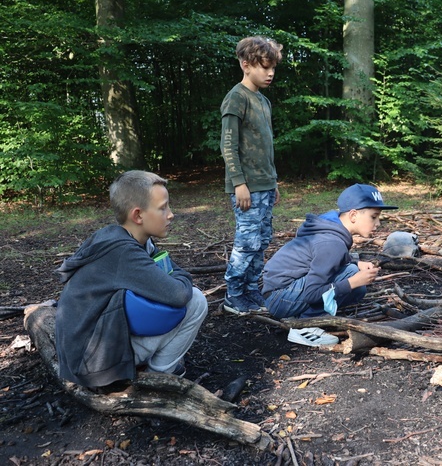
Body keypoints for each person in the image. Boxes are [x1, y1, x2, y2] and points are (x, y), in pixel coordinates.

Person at [55, 171, 208, 389]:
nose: (171, 214)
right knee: (196, 300)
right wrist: (182, 276)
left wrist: (176, 274)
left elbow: (170, 274)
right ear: (138, 216)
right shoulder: (123, 253)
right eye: (163, 208)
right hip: (92, 367)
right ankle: (161, 377)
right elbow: (180, 293)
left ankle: (147, 367)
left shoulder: (126, 239)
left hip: (84, 356)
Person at [261, 184, 398, 346]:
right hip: (280, 299)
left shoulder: (331, 225)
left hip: (279, 293)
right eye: (373, 217)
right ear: (353, 215)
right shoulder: (331, 242)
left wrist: (356, 262)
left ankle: (301, 315)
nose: (378, 223)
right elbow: (310, 293)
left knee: (357, 284)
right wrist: (352, 281)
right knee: (352, 275)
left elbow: (324, 258)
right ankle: (305, 327)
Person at [221, 36, 284, 315]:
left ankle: (251, 291)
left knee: (262, 240)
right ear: (246, 65)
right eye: (264, 67)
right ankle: (233, 295)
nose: (270, 73)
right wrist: (239, 184)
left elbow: (264, 145)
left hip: (265, 185)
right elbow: (228, 145)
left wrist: (273, 181)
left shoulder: (264, 101)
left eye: (273, 68)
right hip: (247, 188)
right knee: (246, 243)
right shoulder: (236, 97)